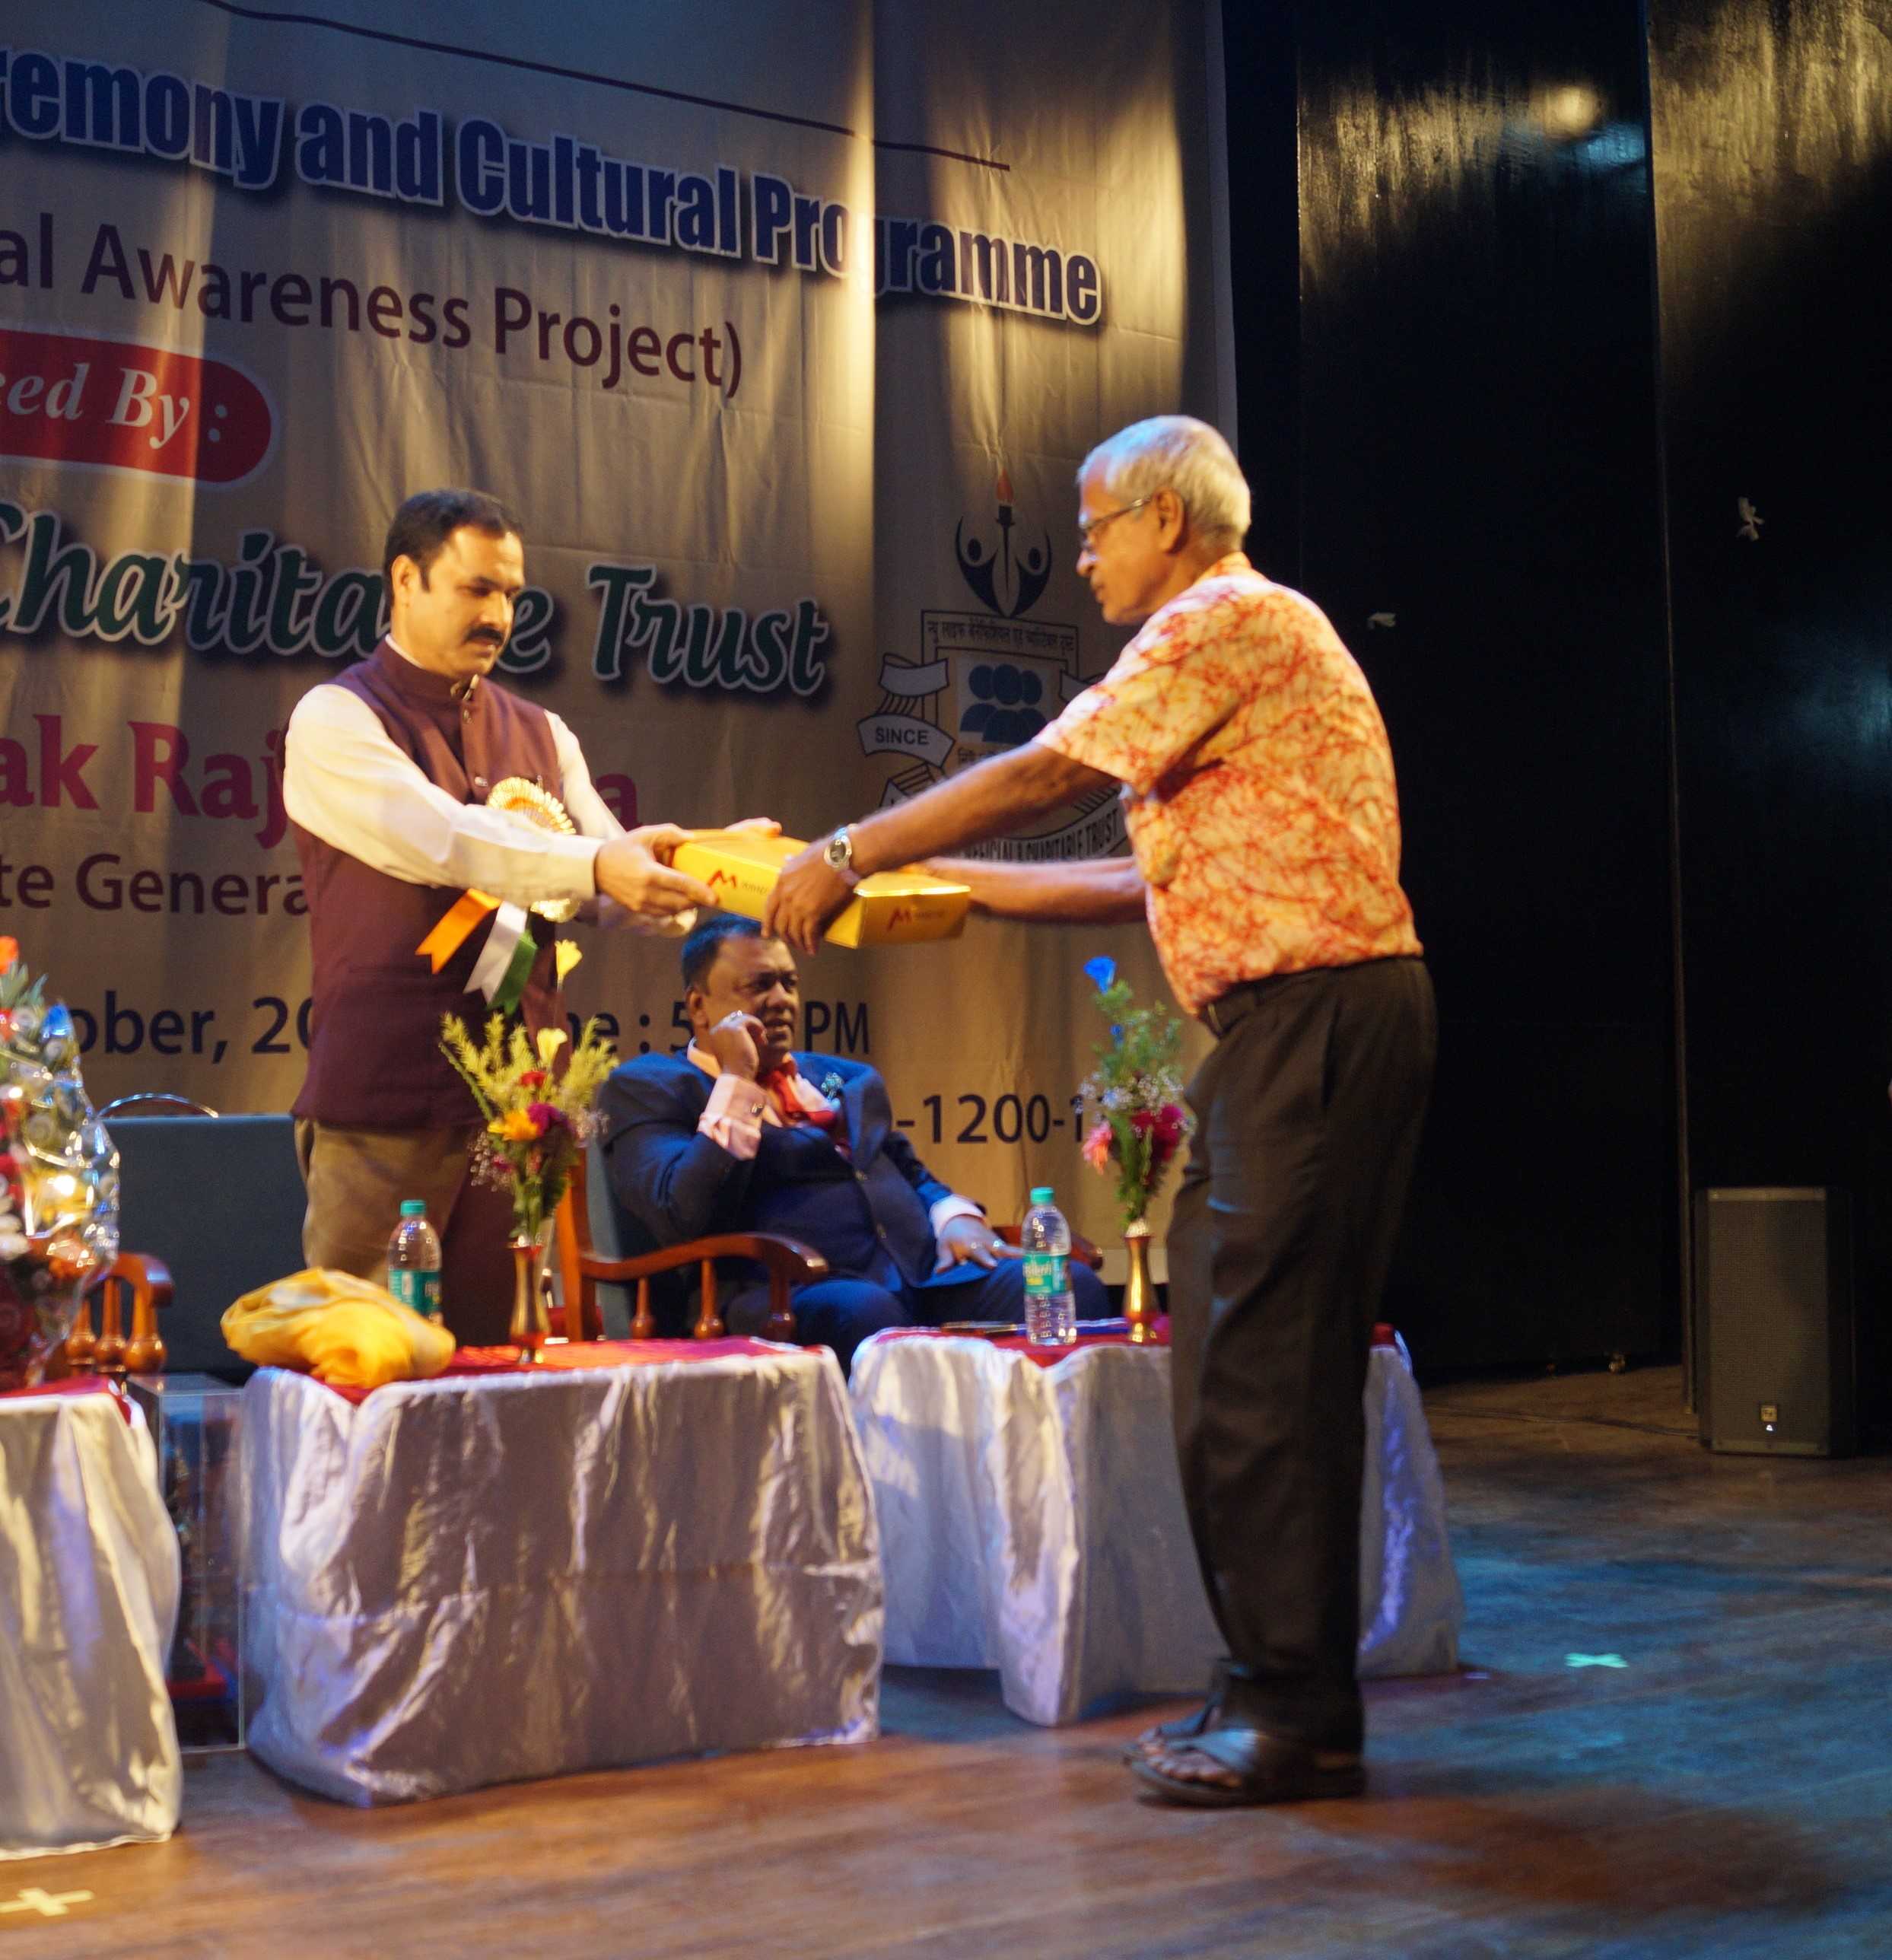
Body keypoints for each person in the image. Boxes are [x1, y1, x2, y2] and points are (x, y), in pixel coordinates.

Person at [765, 415, 1436, 1806]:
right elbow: (1134, 881)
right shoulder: (1232, 648)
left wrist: (851, 847)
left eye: (1093, 531)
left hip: (1314, 1016)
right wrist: (936, 890)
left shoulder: (1220, 619)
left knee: (1260, 1372)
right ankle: (1280, 1690)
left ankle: (1292, 1710)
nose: (1079, 560)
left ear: (1166, 521)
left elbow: (1046, 773)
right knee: (1249, 1363)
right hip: (1298, 1024)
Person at [284, 488, 719, 1344]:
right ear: (404, 580)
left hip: (521, 1111)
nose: (499, 615)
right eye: (476, 588)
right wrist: (603, 865)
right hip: (386, 1103)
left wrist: (709, 873)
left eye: (512, 594)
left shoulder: (544, 731)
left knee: (501, 1363)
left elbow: (609, 876)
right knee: (366, 1363)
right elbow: (446, 840)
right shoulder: (336, 717)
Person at [596, 913, 1108, 1372]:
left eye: (789, 983)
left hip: (918, 1273)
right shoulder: (652, 1086)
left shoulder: (844, 1078)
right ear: (699, 1006)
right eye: (759, 985)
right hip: (782, 1290)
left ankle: (1046, 1449)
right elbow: (679, 1212)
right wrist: (737, 1079)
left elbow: (907, 1171)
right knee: (867, 1314)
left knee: (1067, 1285)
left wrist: (956, 1218)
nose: (781, 1001)